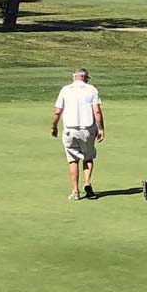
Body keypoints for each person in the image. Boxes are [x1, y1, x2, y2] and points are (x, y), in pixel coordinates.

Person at [50, 68, 104, 200]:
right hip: (87, 130)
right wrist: (101, 128)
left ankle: (75, 191)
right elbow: (96, 111)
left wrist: (54, 126)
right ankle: (87, 183)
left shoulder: (65, 89)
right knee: (88, 157)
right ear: (85, 78)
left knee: (73, 159)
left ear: (74, 77)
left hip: (70, 130)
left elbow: (57, 111)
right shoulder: (91, 89)